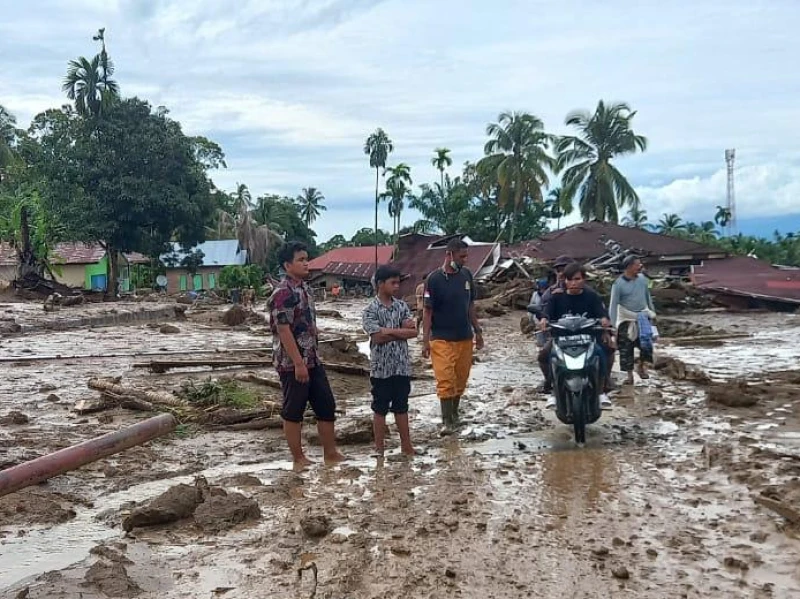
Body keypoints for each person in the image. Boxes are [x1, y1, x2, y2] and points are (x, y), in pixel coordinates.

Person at [268, 241, 345, 472]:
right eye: (301, 259)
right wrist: (298, 363)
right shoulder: (282, 293)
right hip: (292, 362)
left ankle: (330, 453)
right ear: (287, 265)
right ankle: (298, 458)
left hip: (313, 359)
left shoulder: (305, 289)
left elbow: (305, 323)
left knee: (326, 405)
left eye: (306, 259)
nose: (306, 263)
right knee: (294, 410)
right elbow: (283, 330)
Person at [422, 237, 484, 433]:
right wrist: (425, 340)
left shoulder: (466, 275)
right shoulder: (434, 279)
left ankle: (455, 415)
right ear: (449, 255)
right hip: (441, 338)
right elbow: (427, 311)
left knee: (460, 379)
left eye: (466, 256)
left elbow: (470, 305)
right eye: (462, 256)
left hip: (464, 337)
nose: (465, 260)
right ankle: (446, 420)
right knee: (446, 379)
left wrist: (478, 331)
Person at [540, 262, 613, 410]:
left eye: (577, 279)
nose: (573, 283)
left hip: (588, 338)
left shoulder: (592, 296)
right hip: (561, 340)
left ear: (584, 280)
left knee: (607, 350)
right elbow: (546, 313)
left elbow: (602, 313)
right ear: (564, 281)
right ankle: (552, 388)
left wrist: (605, 322)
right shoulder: (556, 297)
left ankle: (602, 389)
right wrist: (543, 320)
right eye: (569, 279)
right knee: (544, 355)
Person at [362, 265, 417, 457]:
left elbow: (414, 332)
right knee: (380, 408)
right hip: (380, 369)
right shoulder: (370, 310)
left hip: (401, 366)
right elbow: (377, 338)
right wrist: (400, 332)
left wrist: (387, 330)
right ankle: (379, 449)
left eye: (398, 282)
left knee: (402, 407)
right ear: (380, 284)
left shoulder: (401, 306)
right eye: (393, 283)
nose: (397, 286)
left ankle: (407, 447)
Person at [609, 256, 657, 385]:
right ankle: (629, 376)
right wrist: (612, 326)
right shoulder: (618, 284)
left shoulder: (642, 280)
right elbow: (613, 305)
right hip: (626, 318)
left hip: (642, 316)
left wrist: (653, 314)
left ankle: (641, 366)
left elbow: (648, 297)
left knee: (646, 345)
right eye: (637, 264)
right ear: (629, 266)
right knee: (626, 348)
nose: (640, 266)